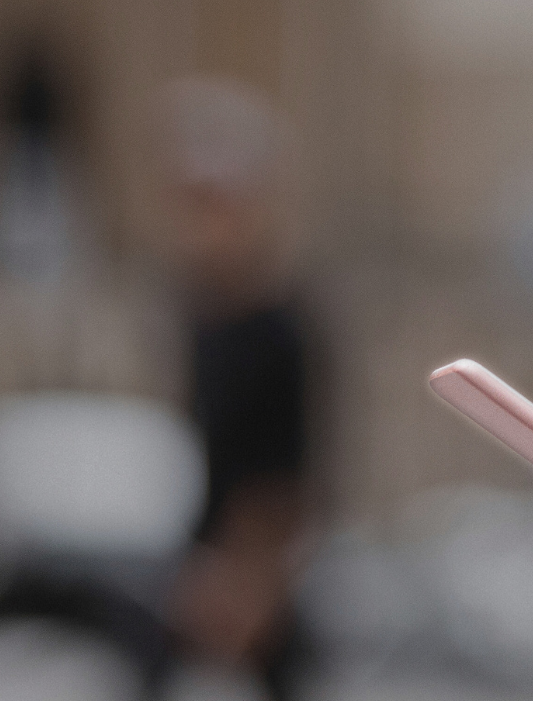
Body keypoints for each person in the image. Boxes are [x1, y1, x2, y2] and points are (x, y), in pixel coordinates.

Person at [163, 77, 315, 701]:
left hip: (257, 586)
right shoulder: (199, 318)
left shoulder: (280, 329)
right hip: (205, 568)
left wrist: (250, 583)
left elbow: (286, 476)